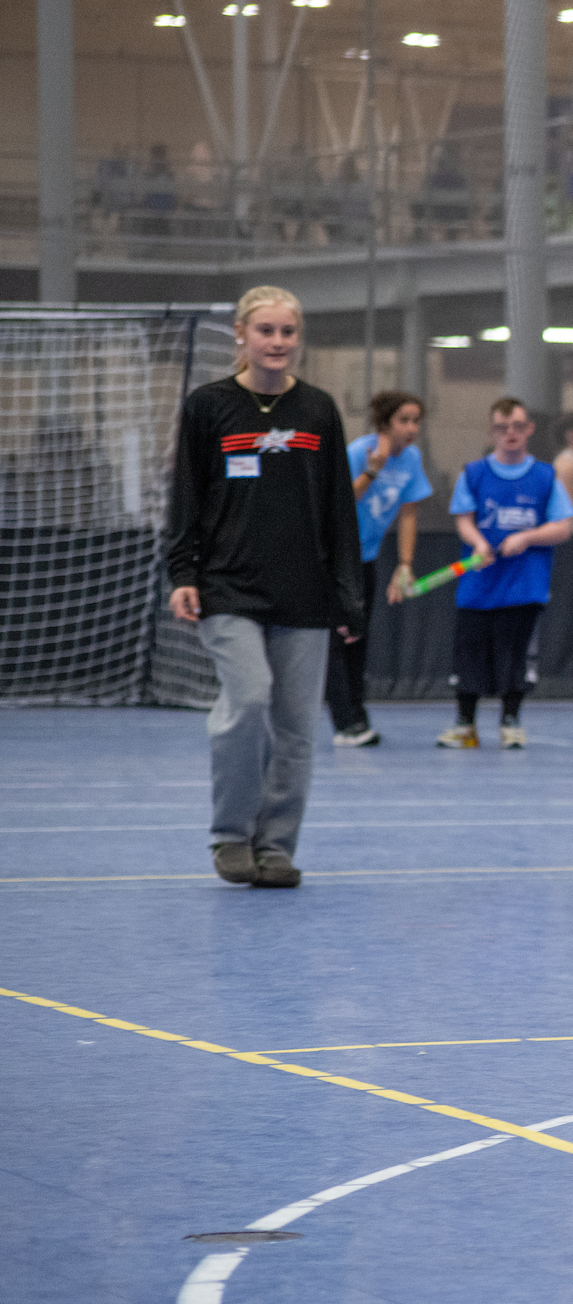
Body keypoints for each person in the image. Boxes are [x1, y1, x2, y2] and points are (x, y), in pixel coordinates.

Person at [166, 286, 364, 889]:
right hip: (229, 589)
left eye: (288, 333)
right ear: (242, 336)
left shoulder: (319, 410)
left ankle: (275, 846)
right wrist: (183, 574)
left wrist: (346, 595)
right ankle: (231, 834)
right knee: (249, 699)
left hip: (304, 594)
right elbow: (186, 498)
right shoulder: (208, 407)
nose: (278, 343)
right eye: (266, 331)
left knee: (297, 726)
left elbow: (338, 509)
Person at [438, 397, 573, 749]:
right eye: (502, 428)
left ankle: (511, 722)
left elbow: (563, 527)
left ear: (529, 429)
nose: (510, 434)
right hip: (479, 584)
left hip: (523, 585)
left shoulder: (545, 477)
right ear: (492, 431)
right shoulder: (473, 473)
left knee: (513, 654)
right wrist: (479, 543)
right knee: (469, 653)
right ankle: (465, 724)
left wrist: (528, 538)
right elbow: (463, 520)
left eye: (517, 426)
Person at [326, 390, 432, 747]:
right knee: (338, 640)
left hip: (367, 559)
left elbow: (408, 513)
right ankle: (346, 723)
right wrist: (373, 470)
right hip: (334, 558)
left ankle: (357, 718)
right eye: (404, 420)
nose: (412, 428)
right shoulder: (360, 452)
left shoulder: (413, 458)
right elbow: (339, 500)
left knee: (358, 638)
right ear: (386, 423)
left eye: (416, 420)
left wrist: (404, 564)